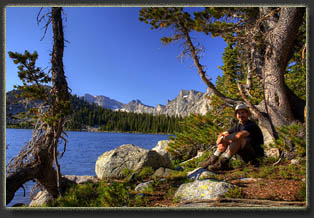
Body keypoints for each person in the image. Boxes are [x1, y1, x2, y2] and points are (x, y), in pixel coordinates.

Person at [200, 104, 264, 170]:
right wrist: (221, 138)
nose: (241, 115)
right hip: (245, 157)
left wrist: (225, 138)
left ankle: (223, 163)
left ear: (247, 114)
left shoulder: (251, 125)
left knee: (237, 139)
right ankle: (211, 160)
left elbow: (239, 136)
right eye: (239, 113)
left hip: (256, 158)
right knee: (225, 139)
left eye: (243, 113)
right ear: (236, 115)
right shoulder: (238, 126)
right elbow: (223, 133)